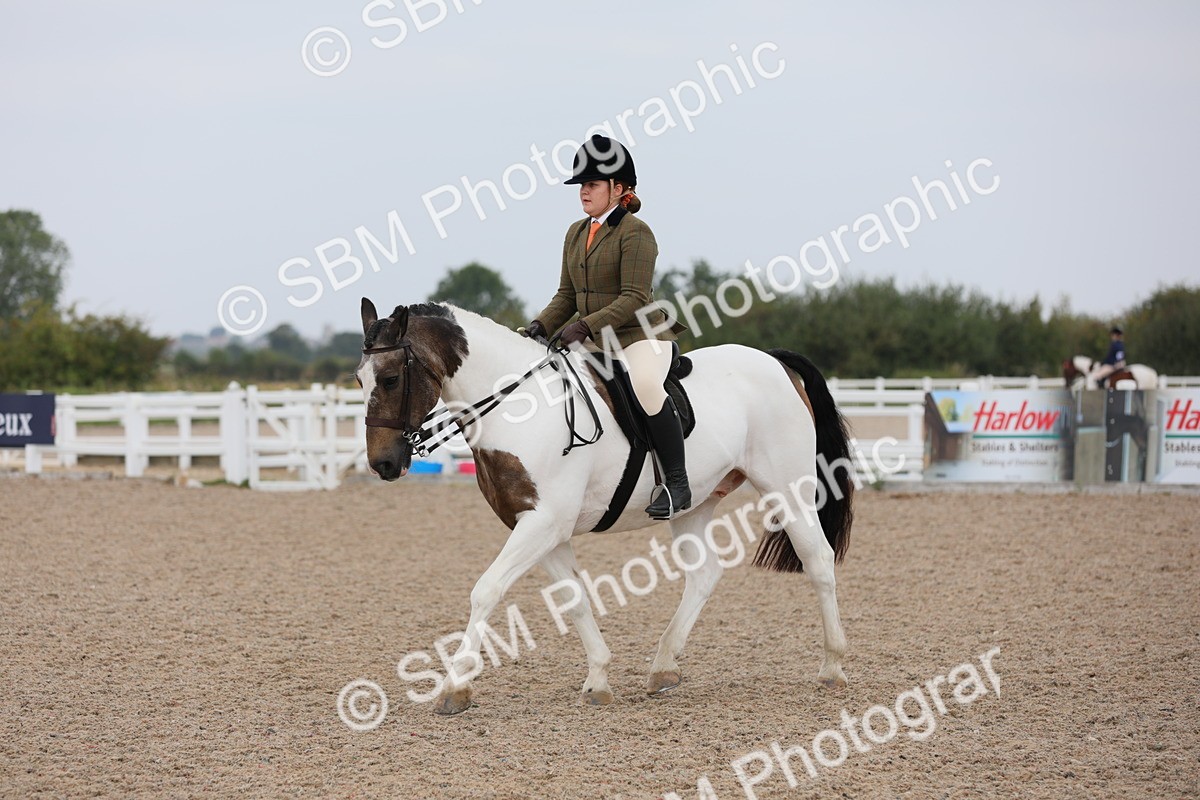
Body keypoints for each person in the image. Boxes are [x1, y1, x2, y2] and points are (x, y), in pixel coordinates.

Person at [523, 134, 690, 519]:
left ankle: (678, 483)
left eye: (592, 184)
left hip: (639, 337)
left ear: (619, 188)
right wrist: (538, 325)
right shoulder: (576, 233)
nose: (583, 191)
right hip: (598, 342)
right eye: (581, 184)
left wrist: (584, 326)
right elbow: (566, 294)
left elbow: (633, 296)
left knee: (647, 388)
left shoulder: (636, 233)